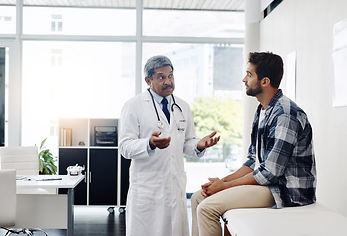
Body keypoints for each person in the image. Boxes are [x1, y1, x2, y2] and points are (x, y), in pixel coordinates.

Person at [191, 52, 317, 236]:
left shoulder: (285, 114)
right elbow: (253, 161)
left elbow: (270, 173)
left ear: (265, 81)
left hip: (286, 191)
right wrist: (222, 181)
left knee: (206, 208)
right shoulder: (263, 110)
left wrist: (225, 187)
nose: (244, 79)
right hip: (267, 186)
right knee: (198, 198)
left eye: (249, 75)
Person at [119, 55, 220, 236]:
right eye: (161, 77)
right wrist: (149, 143)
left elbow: (187, 144)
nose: (168, 81)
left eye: (171, 76)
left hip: (174, 186)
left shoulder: (182, 107)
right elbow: (125, 147)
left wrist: (199, 145)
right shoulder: (133, 106)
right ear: (148, 80)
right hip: (147, 189)